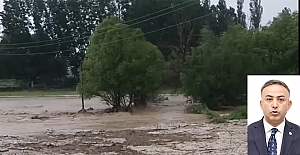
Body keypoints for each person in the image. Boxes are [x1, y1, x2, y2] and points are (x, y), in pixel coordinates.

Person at [248, 79, 300, 155]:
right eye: (269, 99)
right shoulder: (248, 133)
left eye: (281, 99)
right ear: (261, 104)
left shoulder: (298, 133)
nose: (275, 105)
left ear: (289, 105)